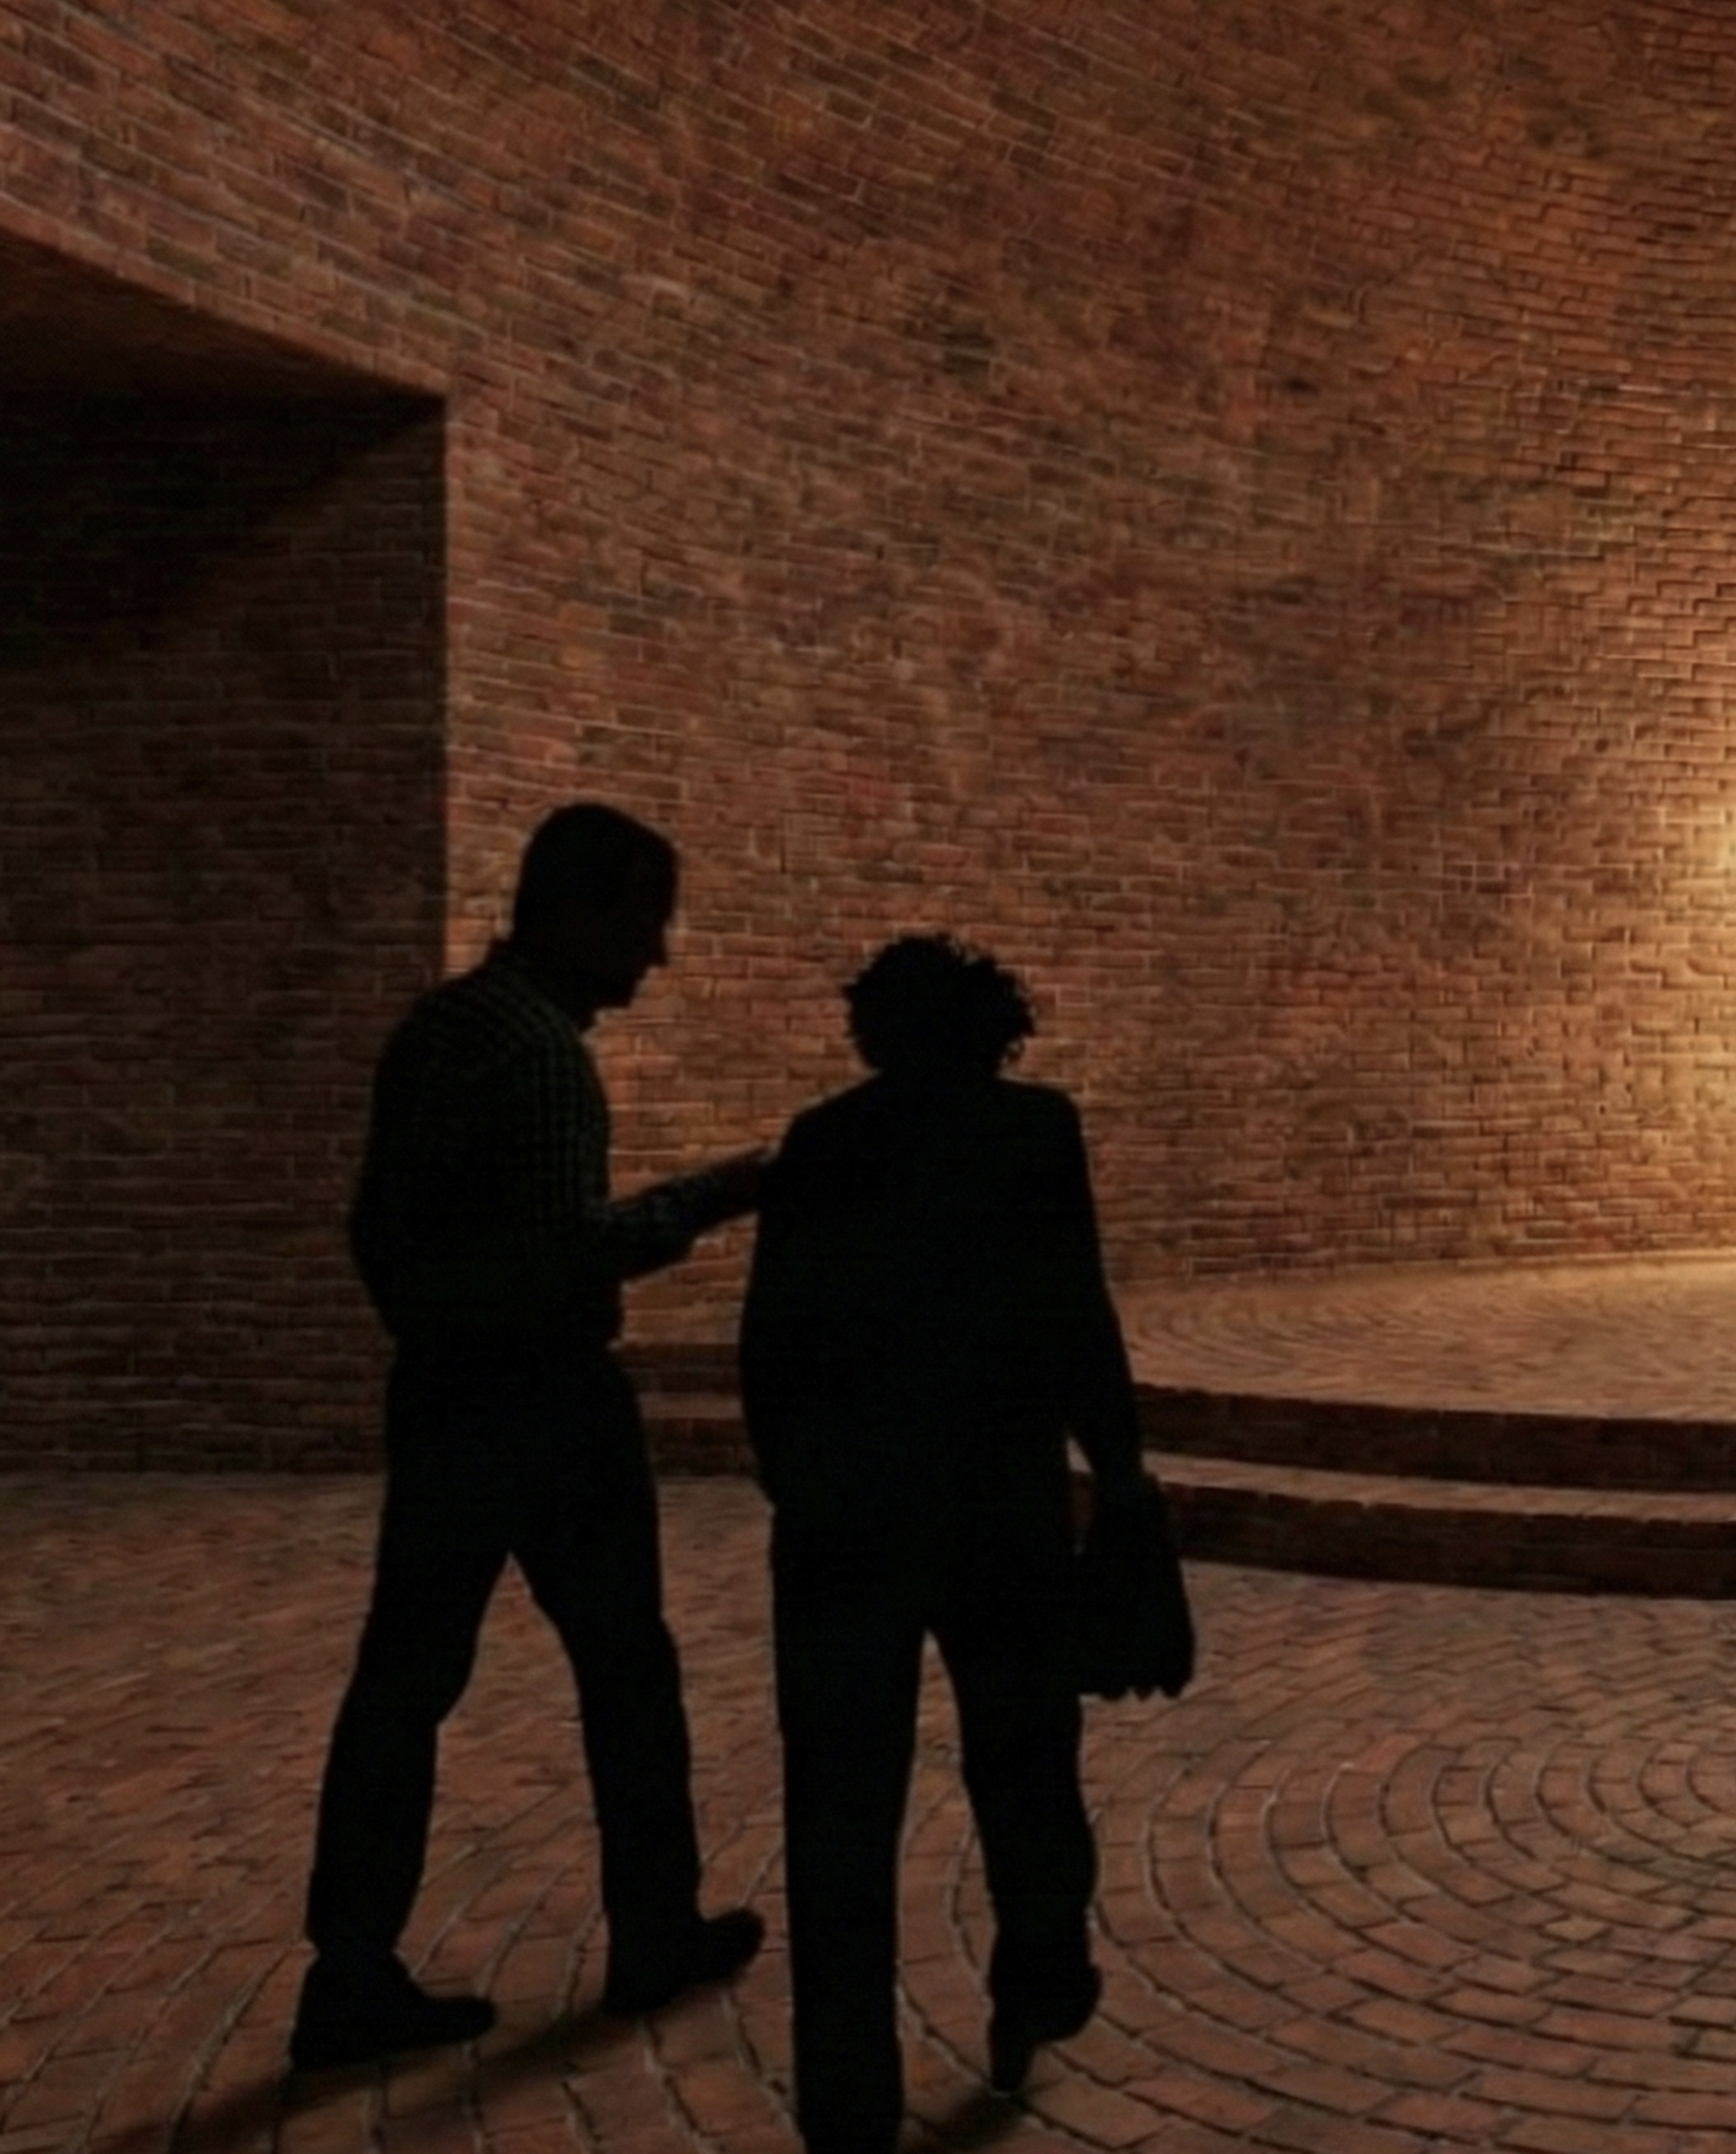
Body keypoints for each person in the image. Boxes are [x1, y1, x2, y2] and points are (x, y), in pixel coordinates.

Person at [295, 802, 771, 2076]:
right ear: (580, 911)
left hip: (445, 1391)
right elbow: (570, 1254)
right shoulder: (543, 1056)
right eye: (644, 922)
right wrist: (715, 1195)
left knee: (403, 1680)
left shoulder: (440, 1029)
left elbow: (376, 1227)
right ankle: (654, 1930)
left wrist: (432, 1325)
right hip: (547, 1399)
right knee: (626, 1668)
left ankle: (348, 1969)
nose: (655, 956)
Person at [739, 934, 1155, 2154]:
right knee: (1026, 1759)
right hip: (996, 1502)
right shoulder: (1033, 1132)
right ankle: (1039, 1965)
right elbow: (1075, 1308)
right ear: (994, 1029)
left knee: (838, 1810)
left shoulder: (824, 1141)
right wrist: (1117, 1466)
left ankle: (846, 2097)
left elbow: (774, 1339)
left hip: (845, 1519)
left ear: (872, 1030)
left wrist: (799, 1485)